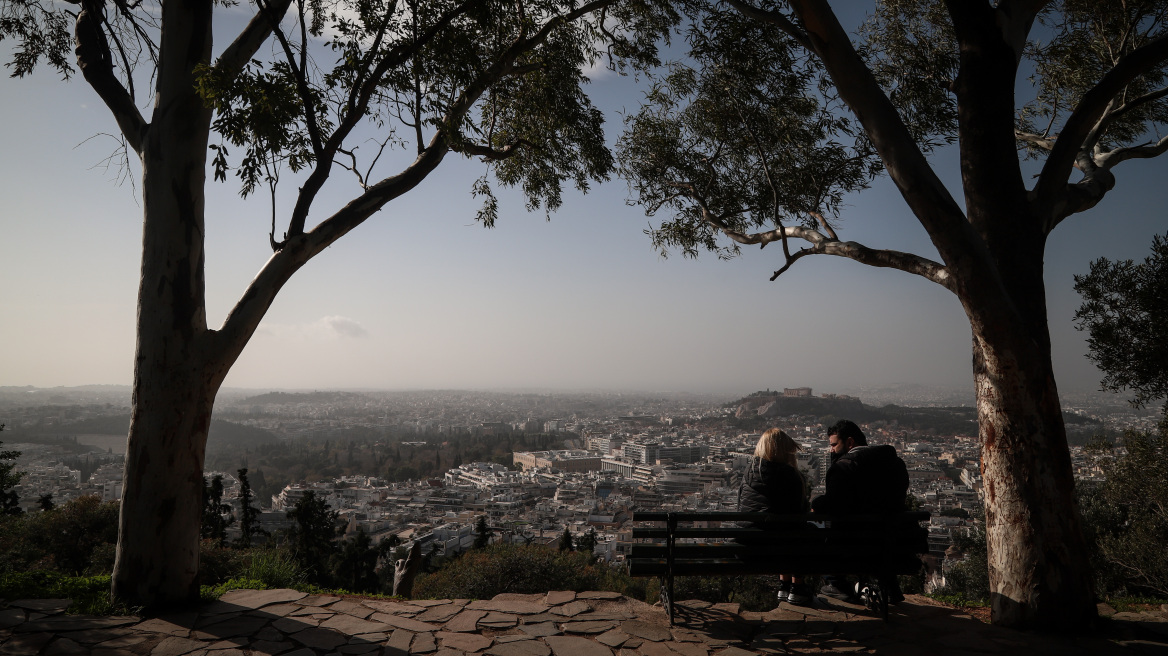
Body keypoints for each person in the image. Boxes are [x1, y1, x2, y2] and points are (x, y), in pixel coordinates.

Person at [811, 419, 910, 603]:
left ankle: (836, 583)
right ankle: (889, 585)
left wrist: (816, 502)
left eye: (834, 445)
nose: (831, 450)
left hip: (853, 545)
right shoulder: (895, 464)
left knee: (816, 530)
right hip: (894, 542)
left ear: (850, 443)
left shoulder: (844, 467)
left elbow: (834, 504)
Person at [738, 428, 813, 605]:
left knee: (781, 532)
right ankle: (797, 587)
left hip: (747, 547)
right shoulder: (791, 476)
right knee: (802, 532)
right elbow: (798, 515)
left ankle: (784, 585)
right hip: (778, 548)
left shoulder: (748, 473)